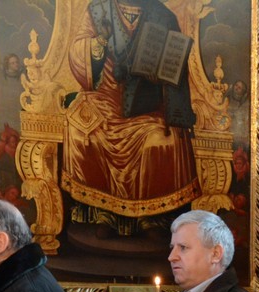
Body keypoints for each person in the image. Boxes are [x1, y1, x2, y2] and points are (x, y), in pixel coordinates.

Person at [64, 0, 201, 237]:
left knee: (158, 138)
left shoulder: (162, 16)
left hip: (147, 105)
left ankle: (149, 217)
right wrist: (100, 41)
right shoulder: (98, 11)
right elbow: (77, 53)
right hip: (104, 98)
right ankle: (104, 213)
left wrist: (164, 73)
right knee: (89, 134)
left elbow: (175, 67)